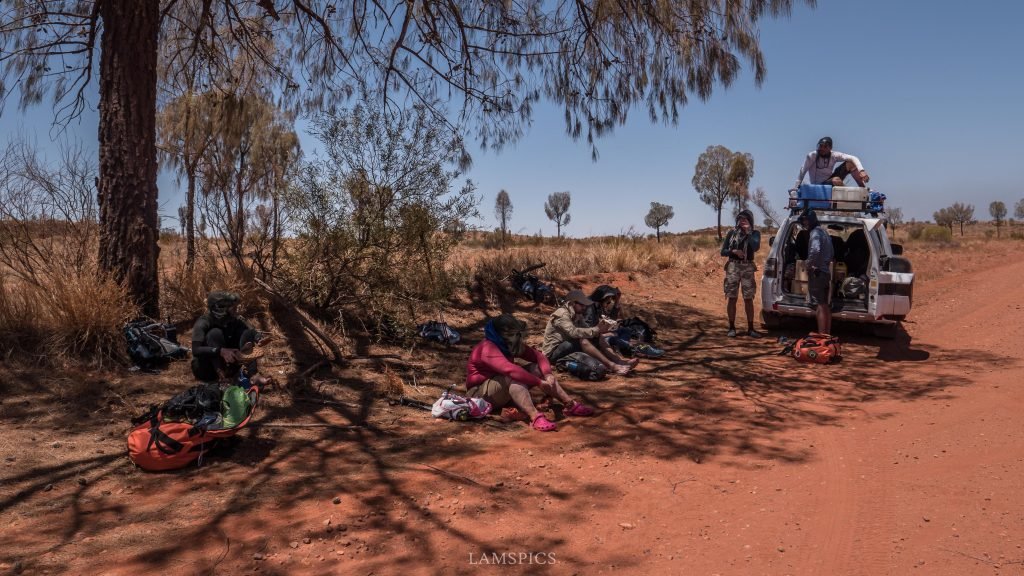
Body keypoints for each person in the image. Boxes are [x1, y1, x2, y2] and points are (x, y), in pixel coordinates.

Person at [466, 314, 595, 432]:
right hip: (479, 396)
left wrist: (547, 374)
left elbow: (539, 357)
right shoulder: (488, 347)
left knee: (536, 368)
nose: (518, 336)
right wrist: (538, 382)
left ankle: (569, 404)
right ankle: (534, 416)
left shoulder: (507, 344)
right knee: (514, 376)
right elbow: (510, 370)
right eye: (513, 333)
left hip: (499, 391)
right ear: (503, 334)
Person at [541, 290, 635, 376]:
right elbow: (573, 332)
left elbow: (588, 330)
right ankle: (612, 366)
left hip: (568, 346)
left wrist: (600, 329)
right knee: (583, 340)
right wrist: (596, 330)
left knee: (598, 337)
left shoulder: (577, 314)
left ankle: (618, 361)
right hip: (553, 354)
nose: (584, 307)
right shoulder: (562, 314)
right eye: (582, 305)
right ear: (573, 303)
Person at [191, 291, 271, 387]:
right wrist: (221, 351)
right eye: (232, 307)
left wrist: (258, 338)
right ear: (220, 308)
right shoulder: (203, 323)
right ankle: (222, 379)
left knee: (245, 332)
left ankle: (253, 375)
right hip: (207, 370)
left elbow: (250, 331)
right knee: (214, 333)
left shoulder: (234, 319)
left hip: (230, 367)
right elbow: (196, 350)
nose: (236, 310)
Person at [720, 209, 762, 338]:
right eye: (740, 219)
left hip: (748, 267)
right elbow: (723, 251)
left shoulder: (755, 233)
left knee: (748, 298)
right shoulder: (732, 233)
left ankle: (751, 329)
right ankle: (731, 328)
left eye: (745, 219)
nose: (742, 221)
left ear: (750, 221)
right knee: (732, 297)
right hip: (733, 266)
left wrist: (748, 233)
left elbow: (755, 247)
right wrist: (734, 251)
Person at [800, 209, 835, 335]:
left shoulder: (815, 233)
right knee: (825, 305)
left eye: (805, 221)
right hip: (825, 273)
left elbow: (815, 250)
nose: (804, 223)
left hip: (817, 274)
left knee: (819, 306)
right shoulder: (824, 232)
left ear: (810, 220)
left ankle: (821, 337)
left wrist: (808, 264)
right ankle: (826, 336)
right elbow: (832, 253)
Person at [794, 136, 870, 189]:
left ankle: (863, 190)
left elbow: (853, 158)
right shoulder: (812, 156)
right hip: (819, 185)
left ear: (830, 148)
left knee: (851, 163)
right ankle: (850, 194)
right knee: (836, 180)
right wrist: (795, 189)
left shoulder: (834, 155)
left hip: (829, 180)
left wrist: (861, 171)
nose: (822, 149)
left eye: (825, 147)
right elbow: (802, 171)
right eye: (820, 146)